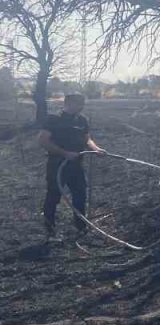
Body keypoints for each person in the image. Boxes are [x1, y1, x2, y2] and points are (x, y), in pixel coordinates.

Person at [36, 93, 104, 238]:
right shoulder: (53, 119)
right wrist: (64, 153)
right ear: (68, 103)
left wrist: (96, 149)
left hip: (77, 165)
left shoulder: (82, 120)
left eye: (82, 103)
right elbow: (43, 140)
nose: (81, 106)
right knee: (53, 196)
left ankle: (81, 227)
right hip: (57, 165)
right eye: (78, 103)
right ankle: (50, 228)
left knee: (80, 195)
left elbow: (87, 139)